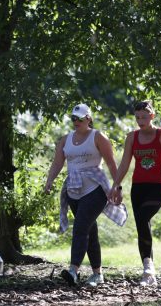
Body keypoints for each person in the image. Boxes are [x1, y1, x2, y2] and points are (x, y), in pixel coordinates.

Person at [109, 100, 161, 286]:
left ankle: (148, 269)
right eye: (137, 117)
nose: (140, 120)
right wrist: (115, 185)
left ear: (152, 116)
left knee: (143, 219)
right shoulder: (132, 137)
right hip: (138, 188)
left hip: (158, 187)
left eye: (144, 117)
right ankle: (148, 271)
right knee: (142, 226)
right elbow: (125, 164)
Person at [44, 103, 119, 287]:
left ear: (88, 118)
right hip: (73, 190)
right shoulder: (65, 139)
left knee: (80, 226)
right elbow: (57, 163)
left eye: (79, 118)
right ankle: (97, 274)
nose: (76, 121)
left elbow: (111, 163)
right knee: (89, 231)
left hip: (96, 189)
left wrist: (117, 187)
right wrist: (49, 181)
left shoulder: (98, 136)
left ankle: (73, 270)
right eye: (73, 118)